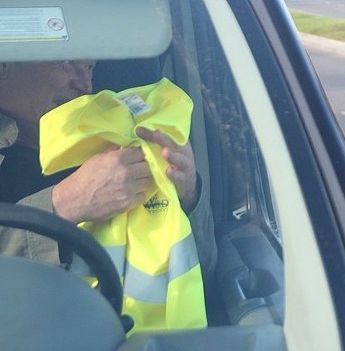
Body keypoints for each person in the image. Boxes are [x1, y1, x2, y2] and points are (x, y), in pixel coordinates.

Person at [0, 60, 216, 284]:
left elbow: (201, 278)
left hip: (120, 318)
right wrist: (63, 205)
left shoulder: (124, 144)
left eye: (89, 67)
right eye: (65, 62)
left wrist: (187, 197)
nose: (84, 85)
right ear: (5, 64)